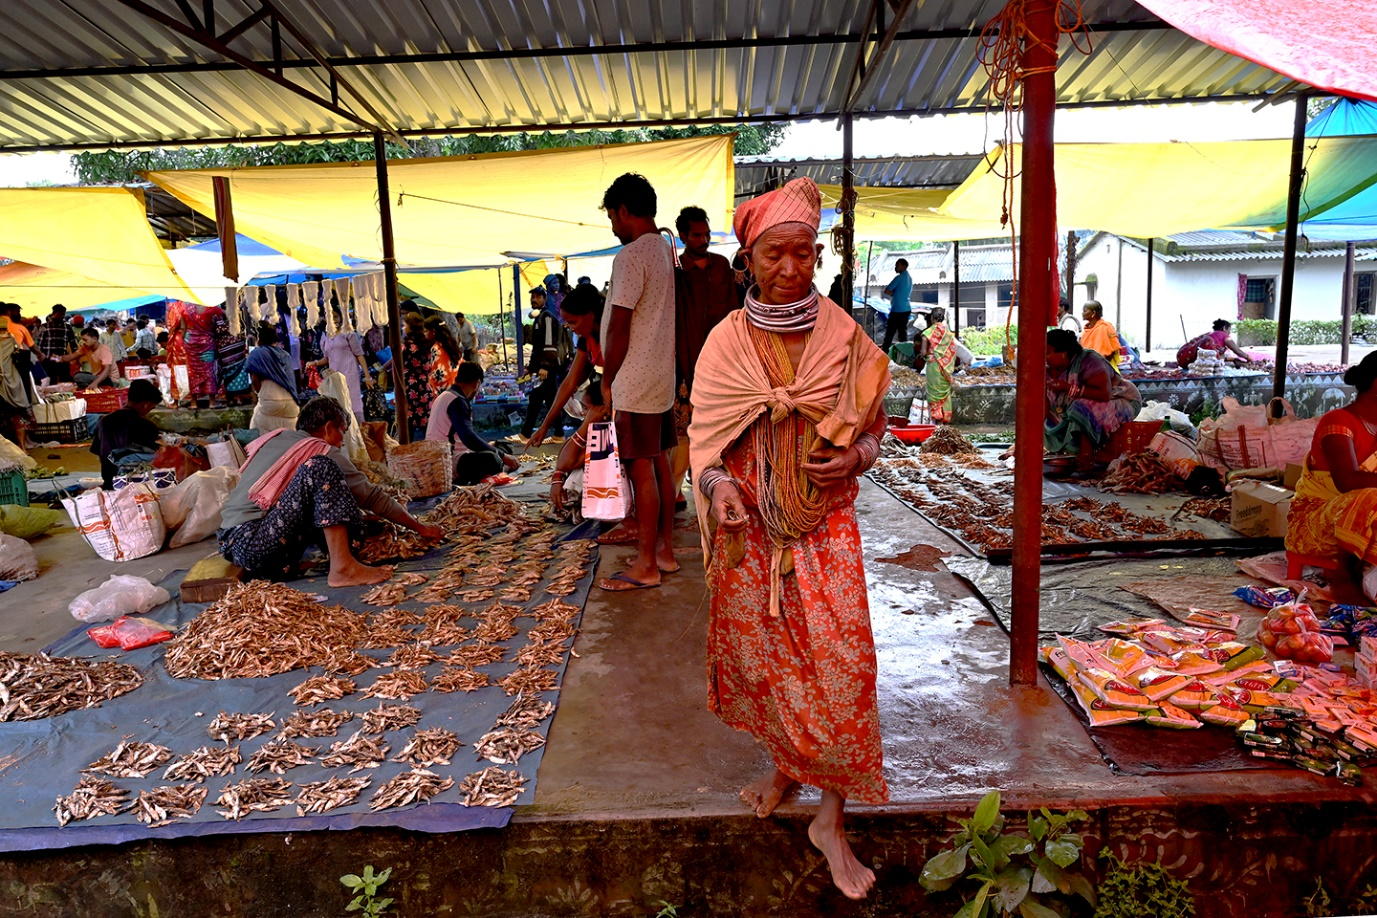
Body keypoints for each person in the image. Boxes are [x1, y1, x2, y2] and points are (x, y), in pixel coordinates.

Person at [688, 176, 890, 900]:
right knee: (767, 659)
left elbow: (875, 428)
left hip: (823, 522)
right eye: (775, 254)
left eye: (803, 253)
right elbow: (703, 447)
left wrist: (855, 457)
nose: (790, 270)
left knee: (840, 663)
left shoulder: (845, 337)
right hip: (751, 528)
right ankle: (782, 767)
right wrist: (720, 491)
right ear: (748, 257)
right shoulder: (723, 345)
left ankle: (829, 819)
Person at [219, 397, 442, 586]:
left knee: (343, 507)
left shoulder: (281, 438)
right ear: (328, 428)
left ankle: (294, 564)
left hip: (234, 543)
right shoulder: (319, 449)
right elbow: (373, 497)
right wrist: (419, 527)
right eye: (342, 433)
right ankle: (343, 567)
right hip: (254, 545)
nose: (341, 442)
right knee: (322, 468)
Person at [596, 172, 678, 591]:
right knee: (660, 460)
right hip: (660, 375)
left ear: (624, 211)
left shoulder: (630, 257)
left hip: (635, 375)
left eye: (612, 216)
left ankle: (646, 564)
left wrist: (608, 379)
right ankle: (662, 550)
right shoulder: (664, 249)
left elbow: (619, 327)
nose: (613, 225)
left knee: (640, 468)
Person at [1286, 353, 1377, 600]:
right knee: (1369, 497)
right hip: (1316, 526)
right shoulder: (1338, 421)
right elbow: (1347, 481)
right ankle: (1345, 579)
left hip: (1364, 525)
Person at [672, 204, 742, 500]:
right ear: (683, 237)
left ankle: (722, 488)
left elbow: (735, 311)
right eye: (697, 235)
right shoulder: (675, 273)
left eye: (707, 234)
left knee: (724, 428)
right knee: (684, 431)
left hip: (724, 363)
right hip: (686, 360)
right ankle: (674, 491)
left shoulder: (722, 266)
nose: (704, 240)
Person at [1044, 328, 1142, 472]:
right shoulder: (1048, 369)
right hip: (1078, 404)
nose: (1044, 357)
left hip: (1121, 400)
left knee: (1082, 406)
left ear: (1063, 353)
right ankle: (1069, 452)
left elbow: (1104, 395)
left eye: (1048, 353)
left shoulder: (1090, 361)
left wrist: (1068, 388)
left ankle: (1086, 459)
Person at [527, 283, 604, 448]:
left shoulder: (610, 335)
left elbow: (608, 385)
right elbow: (570, 382)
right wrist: (544, 426)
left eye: (572, 321)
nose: (569, 327)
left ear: (590, 315)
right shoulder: (586, 339)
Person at [426, 361, 520, 485]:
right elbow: (468, 438)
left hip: (451, 455)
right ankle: (501, 468)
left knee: (504, 445)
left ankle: (500, 465)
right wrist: (502, 456)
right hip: (447, 461)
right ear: (477, 383)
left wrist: (496, 449)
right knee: (493, 459)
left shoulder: (446, 396)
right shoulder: (457, 400)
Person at [89, 378, 163, 489]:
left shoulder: (103, 421)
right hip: (136, 485)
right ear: (146, 405)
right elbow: (153, 459)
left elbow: (101, 456)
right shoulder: (146, 425)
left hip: (110, 482)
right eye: (151, 408)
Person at [548, 383, 608, 518]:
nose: (582, 412)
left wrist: (585, 425)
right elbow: (563, 458)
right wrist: (557, 476)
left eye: (586, 408)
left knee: (577, 471)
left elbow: (567, 463)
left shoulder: (608, 434)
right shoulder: (599, 429)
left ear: (603, 410)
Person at [522, 287, 571, 440]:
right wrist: (531, 369)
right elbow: (537, 348)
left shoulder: (547, 317)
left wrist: (544, 366)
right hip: (542, 368)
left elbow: (550, 344)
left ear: (544, 299)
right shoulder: (540, 317)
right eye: (532, 297)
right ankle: (558, 434)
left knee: (536, 400)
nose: (534, 300)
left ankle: (525, 433)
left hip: (547, 368)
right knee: (549, 400)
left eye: (537, 297)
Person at [310, 306, 371, 422]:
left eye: (336, 316)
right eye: (330, 317)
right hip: (334, 377)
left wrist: (368, 377)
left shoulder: (347, 332)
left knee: (354, 403)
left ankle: (360, 431)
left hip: (350, 374)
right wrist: (315, 363)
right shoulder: (324, 337)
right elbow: (327, 358)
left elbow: (359, 355)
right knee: (339, 404)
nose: (334, 320)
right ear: (325, 319)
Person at [247, 323, 303, 433]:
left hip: (270, 400)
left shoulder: (256, 353)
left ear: (259, 338)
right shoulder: (285, 354)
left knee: (257, 429)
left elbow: (255, 381)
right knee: (289, 437)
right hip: (292, 404)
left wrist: (259, 394)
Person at [175, 300, 225, 404]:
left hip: (190, 343)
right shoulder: (212, 307)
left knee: (192, 372)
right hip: (207, 343)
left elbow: (183, 328)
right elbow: (224, 317)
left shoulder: (185, 308)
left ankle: (194, 403)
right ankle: (212, 402)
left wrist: (183, 344)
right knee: (209, 371)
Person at [396, 311, 434, 441]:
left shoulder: (407, 346)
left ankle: (407, 453)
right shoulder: (427, 344)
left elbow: (399, 365)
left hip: (410, 387)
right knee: (426, 424)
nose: (402, 328)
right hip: (424, 386)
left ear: (410, 327)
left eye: (404, 325)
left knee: (408, 424)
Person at [916, 307, 958, 424]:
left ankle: (937, 421)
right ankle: (946, 421)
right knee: (945, 392)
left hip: (933, 367)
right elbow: (953, 350)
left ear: (932, 318)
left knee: (934, 393)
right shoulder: (948, 333)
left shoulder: (928, 333)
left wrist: (923, 355)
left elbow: (924, 352)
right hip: (946, 368)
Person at [0, 317, 34, 451]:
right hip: (14, 380)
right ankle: (22, 447)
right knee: (19, 415)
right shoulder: (11, 339)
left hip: (1, 385)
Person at [1178, 318, 1251, 368]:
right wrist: (1249, 358)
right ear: (1224, 328)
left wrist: (1233, 359)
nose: (1230, 332)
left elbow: (1217, 356)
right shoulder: (1224, 335)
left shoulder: (1211, 335)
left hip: (1183, 359)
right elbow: (1236, 350)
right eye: (1229, 330)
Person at [37, 304, 77, 383]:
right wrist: (40, 357)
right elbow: (40, 344)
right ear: (53, 313)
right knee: (50, 382)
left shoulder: (68, 327)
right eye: (60, 314)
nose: (62, 316)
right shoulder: (44, 326)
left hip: (63, 359)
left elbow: (73, 343)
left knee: (65, 383)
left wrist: (76, 356)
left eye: (63, 314)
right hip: (48, 360)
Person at [424, 315, 461, 397]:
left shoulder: (436, 349)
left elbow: (438, 375)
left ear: (433, 331)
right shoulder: (451, 344)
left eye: (426, 331)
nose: (424, 334)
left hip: (444, 393)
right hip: (456, 389)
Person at [881, 258, 913, 350]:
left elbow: (887, 290)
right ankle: (905, 353)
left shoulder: (899, 278)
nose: (896, 267)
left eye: (897, 265)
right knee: (902, 334)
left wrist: (893, 293)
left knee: (889, 334)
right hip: (906, 309)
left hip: (897, 309)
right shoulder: (909, 278)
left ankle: (884, 353)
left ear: (904, 266)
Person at [1079, 300, 1121, 370]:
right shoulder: (1087, 329)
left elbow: (1109, 354)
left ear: (1093, 313)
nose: (1082, 313)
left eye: (1085, 311)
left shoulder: (1104, 327)